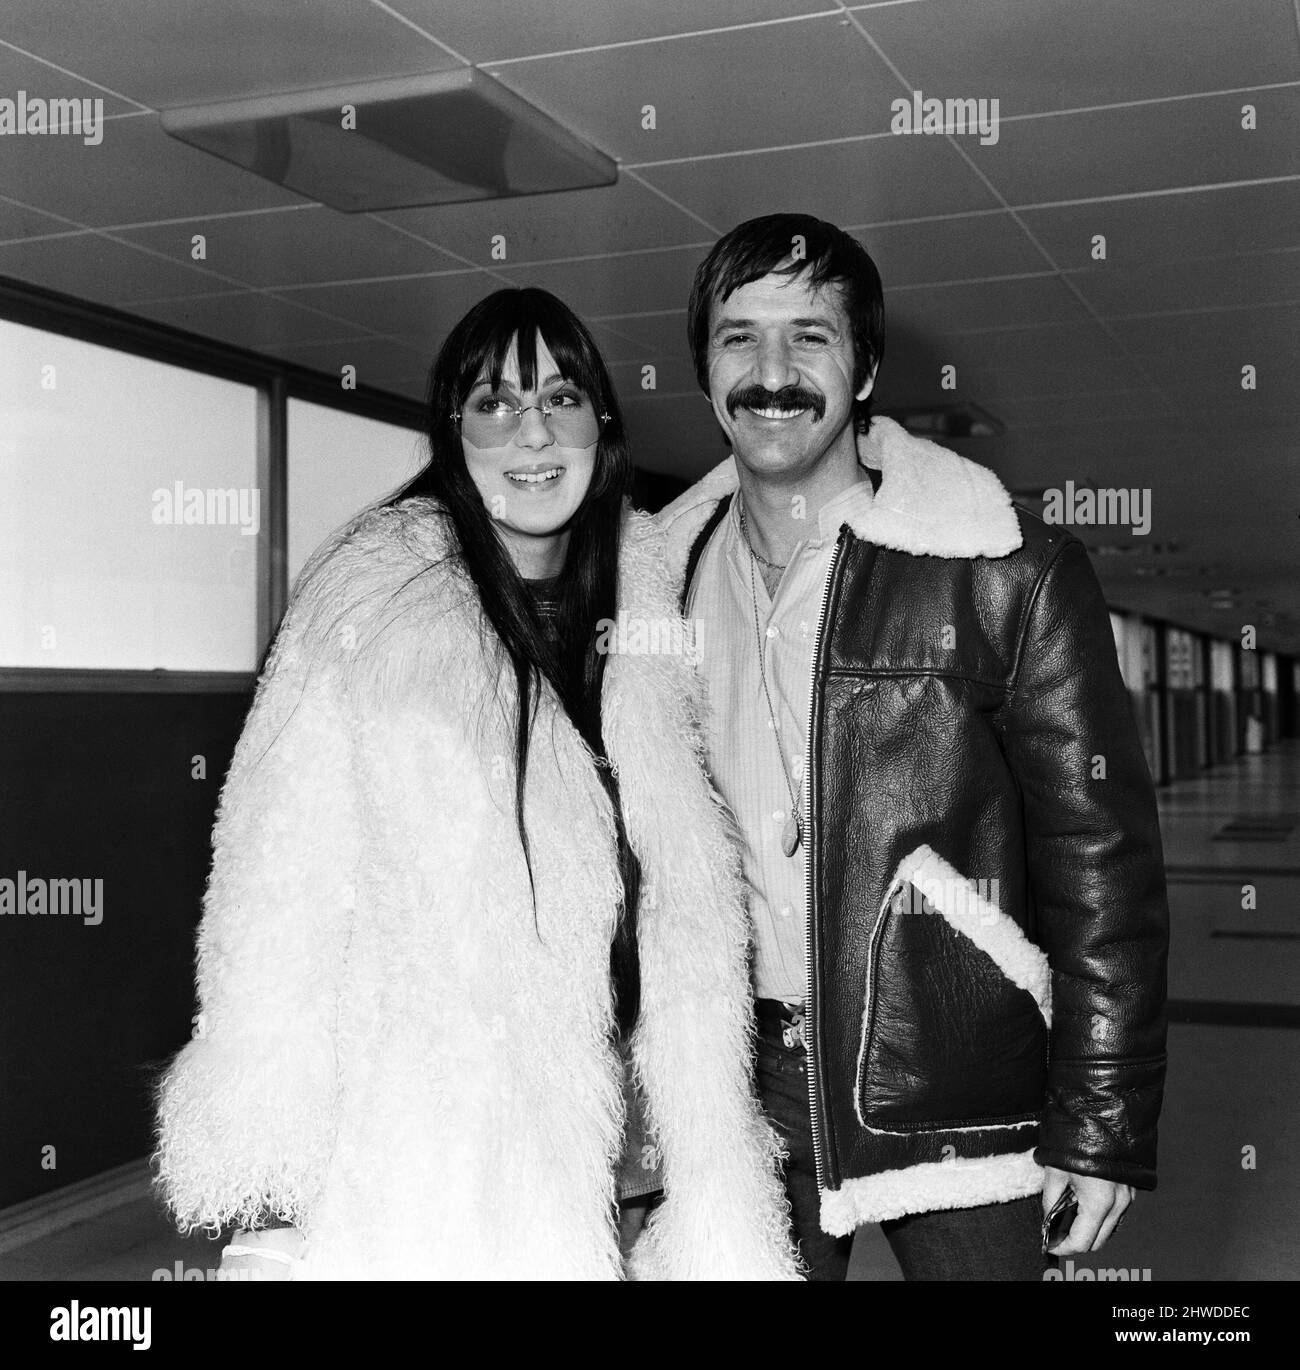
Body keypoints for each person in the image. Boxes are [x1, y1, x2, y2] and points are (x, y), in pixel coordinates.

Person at [153, 286, 800, 1281]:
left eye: (562, 397)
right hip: (443, 1167)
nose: (531, 431)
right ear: (453, 433)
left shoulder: (646, 613)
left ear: (601, 424)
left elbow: (685, 884)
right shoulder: (369, 607)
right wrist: (272, 1184)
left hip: (650, 1158)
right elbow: (272, 889)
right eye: (495, 403)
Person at [655, 213, 1170, 1281]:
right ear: (702, 367)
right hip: (732, 1082)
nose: (772, 371)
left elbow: (1098, 855)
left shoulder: (997, 569)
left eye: (810, 336)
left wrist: (1101, 1117)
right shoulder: (653, 579)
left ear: (868, 363)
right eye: (738, 337)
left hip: (956, 1074)